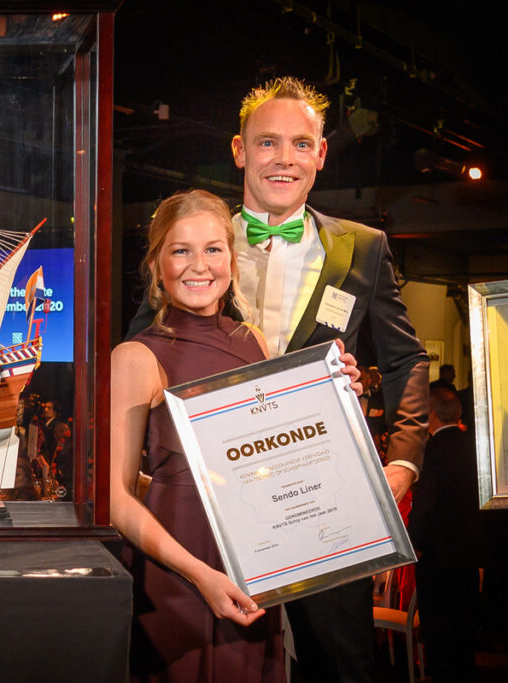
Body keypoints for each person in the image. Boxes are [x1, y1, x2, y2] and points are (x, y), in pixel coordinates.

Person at [126, 77, 429, 682]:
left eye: (300, 144)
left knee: (342, 665)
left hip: (323, 499)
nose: (283, 159)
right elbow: (145, 345)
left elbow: (405, 359)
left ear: (321, 154)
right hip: (216, 505)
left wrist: (403, 461)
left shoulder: (363, 248)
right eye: (267, 142)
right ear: (240, 151)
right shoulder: (199, 244)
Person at [112, 189, 363, 681]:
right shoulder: (137, 356)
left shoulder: (253, 342)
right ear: (157, 264)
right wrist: (200, 575)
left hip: (254, 562)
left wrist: (336, 392)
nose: (198, 265)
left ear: (231, 258)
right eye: (180, 250)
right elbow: (116, 499)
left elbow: (279, 453)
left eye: (213, 249)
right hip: (179, 569)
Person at [407, 388, 487, 682]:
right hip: (469, 550)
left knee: (438, 626)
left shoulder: (432, 449)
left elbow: (425, 502)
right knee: (464, 623)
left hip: (438, 552)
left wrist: (412, 542)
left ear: (432, 415)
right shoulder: (475, 446)